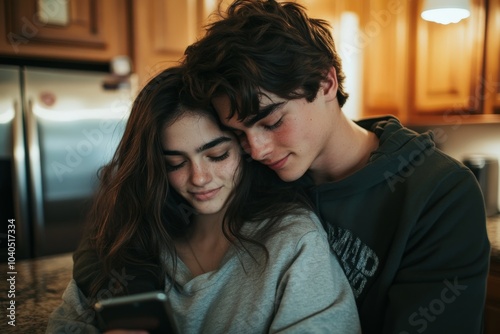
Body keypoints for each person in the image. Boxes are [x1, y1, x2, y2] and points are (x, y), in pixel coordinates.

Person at [181, 1, 491, 333]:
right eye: (239, 133)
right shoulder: (251, 175)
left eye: (271, 122)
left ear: (326, 82)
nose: (256, 150)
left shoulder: (439, 193)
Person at [46, 66, 361, 333]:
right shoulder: (132, 237)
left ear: (245, 147)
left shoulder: (293, 241)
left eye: (217, 155)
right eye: (175, 163)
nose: (198, 178)